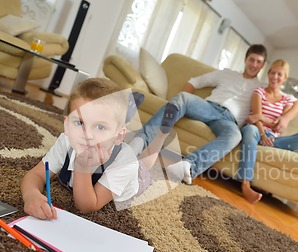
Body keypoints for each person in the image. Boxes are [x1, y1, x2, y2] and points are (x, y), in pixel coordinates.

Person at [20, 78, 179, 220]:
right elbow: (36, 174)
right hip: (117, 141)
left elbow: (87, 206)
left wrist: (82, 166)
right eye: (80, 123)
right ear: (67, 125)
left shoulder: (126, 163)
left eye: (99, 126)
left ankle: (160, 135)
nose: (87, 135)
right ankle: (126, 113)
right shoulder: (66, 141)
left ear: (117, 136)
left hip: (135, 173)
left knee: (143, 160)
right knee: (135, 144)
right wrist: (31, 194)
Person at [129, 44, 268, 184]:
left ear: (263, 65)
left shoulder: (262, 89)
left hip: (230, 121)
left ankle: (188, 166)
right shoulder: (227, 73)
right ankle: (140, 141)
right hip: (208, 107)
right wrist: (184, 106)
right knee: (183, 97)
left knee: (235, 136)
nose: (254, 64)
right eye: (252, 59)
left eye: (258, 61)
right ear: (245, 59)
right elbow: (195, 82)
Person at [236, 59, 298, 203]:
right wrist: (263, 133)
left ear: (285, 78)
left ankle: (265, 144)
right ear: (268, 74)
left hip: (272, 138)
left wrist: (277, 119)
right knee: (251, 129)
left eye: (279, 74)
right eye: (272, 73)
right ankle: (246, 185)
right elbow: (254, 121)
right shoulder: (259, 92)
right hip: (255, 132)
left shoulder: (286, 100)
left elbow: (278, 125)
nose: (275, 77)